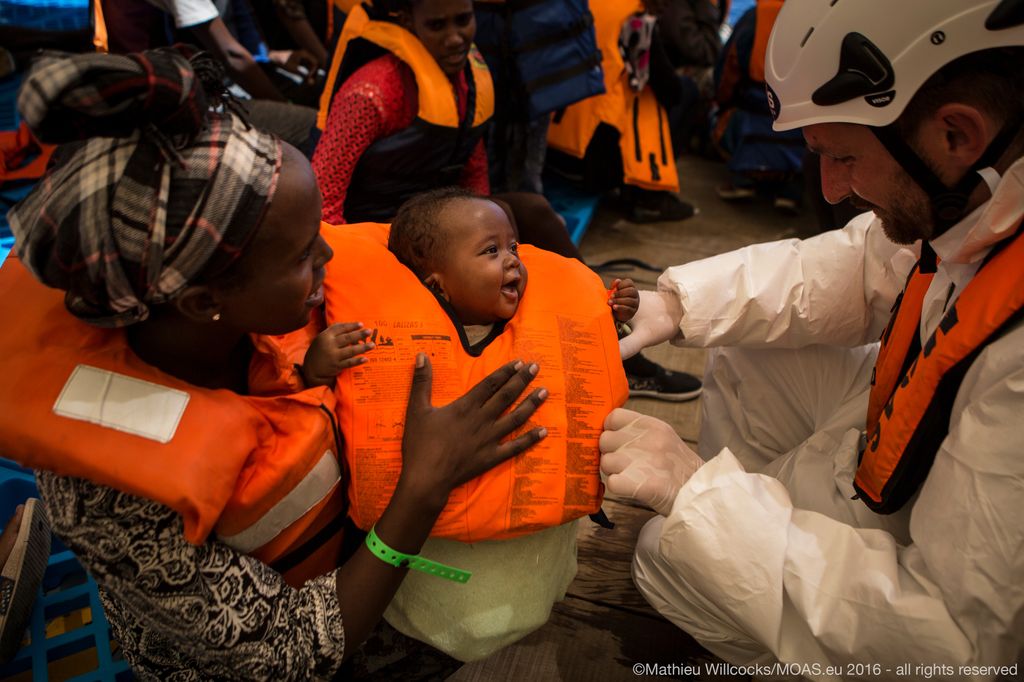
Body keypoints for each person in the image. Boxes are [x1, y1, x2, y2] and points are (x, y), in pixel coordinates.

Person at [0, 46, 549, 679]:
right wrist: (424, 484)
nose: (326, 254)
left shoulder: (245, 311)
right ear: (206, 300)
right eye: (299, 257)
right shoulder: (109, 497)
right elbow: (291, 650)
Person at [601, 0, 1024, 673]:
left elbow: (966, 648)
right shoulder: (984, 192)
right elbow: (860, 264)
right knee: (742, 341)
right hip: (905, 459)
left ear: (956, 136)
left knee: (661, 553)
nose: (832, 190)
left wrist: (695, 497)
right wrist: (674, 304)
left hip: (946, 624)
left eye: (844, 156)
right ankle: (754, 538)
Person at [309, 187, 631, 661]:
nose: (513, 262)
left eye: (514, 247)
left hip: (536, 545)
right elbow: (309, 395)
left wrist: (612, 318)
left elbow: (591, 356)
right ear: (437, 285)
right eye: (490, 251)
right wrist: (318, 364)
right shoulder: (382, 328)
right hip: (433, 566)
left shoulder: (542, 312)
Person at [711, 0, 804, 214]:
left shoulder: (755, 16)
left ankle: (743, 179)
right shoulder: (817, 18)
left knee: (726, 118)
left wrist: (722, 103)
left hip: (753, 111)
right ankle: (790, 190)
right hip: (801, 119)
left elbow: (728, 69)